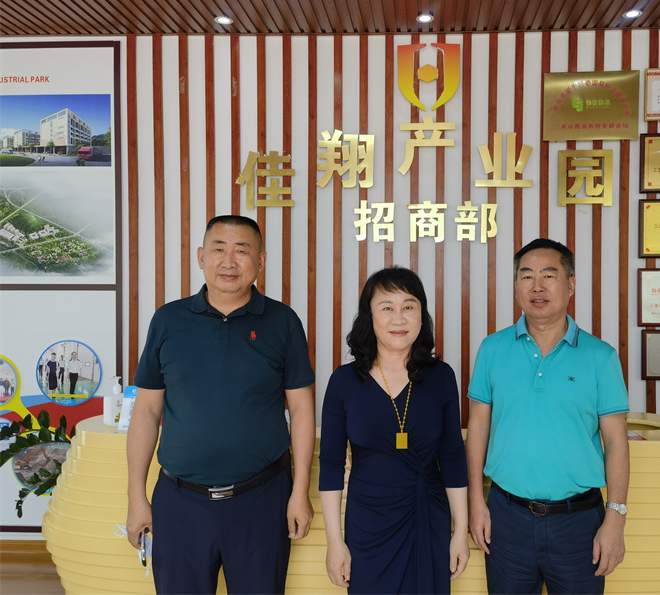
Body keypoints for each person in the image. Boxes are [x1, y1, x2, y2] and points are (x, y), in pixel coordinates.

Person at [126, 215, 316, 595]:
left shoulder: (283, 322)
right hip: (180, 502)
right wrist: (136, 498)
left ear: (260, 260)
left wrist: (299, 493)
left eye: (242, 251)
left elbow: (302, 410)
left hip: (262, 498)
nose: (229, 262)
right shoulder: (168, 320)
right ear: (201, 256)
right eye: (219, 249)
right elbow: (146, 411)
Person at [466, 238, 630, 595]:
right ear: (516, 286)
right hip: (507, 517)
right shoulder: (492, 349)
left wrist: (615, 519)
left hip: (579, 523)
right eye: (526, 276)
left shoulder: (600, 356)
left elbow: (616, 441)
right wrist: (475, 502)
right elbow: (478, 427)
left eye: (548, 275)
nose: (536, 286)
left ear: (570, 284)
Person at [319, 267, 469, 594]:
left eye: (408, 306)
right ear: (369, 317)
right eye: (387, 307)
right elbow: (330, 465)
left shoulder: (442, 376)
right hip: (367, 521)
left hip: (427, 515)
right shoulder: (344, 381)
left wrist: (460, 531)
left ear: (421, 316)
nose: (399, 318)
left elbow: (453, 457)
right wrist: (334, 542)